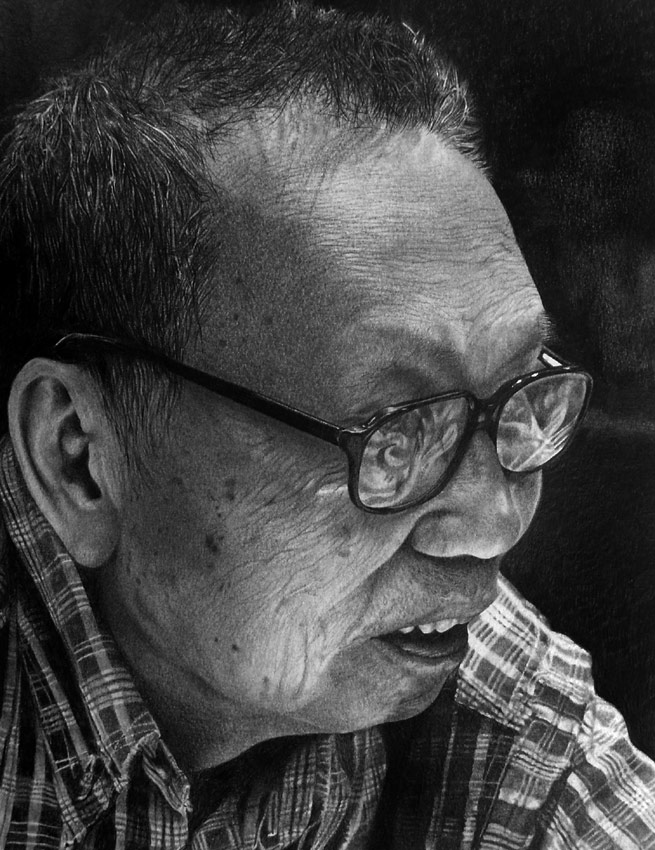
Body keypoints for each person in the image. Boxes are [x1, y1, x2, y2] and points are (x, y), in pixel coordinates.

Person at [0, 3, 653, 847]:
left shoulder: (483, 700)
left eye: (521, 396)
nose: (494, 525)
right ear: (80, 460)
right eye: (393, 433)